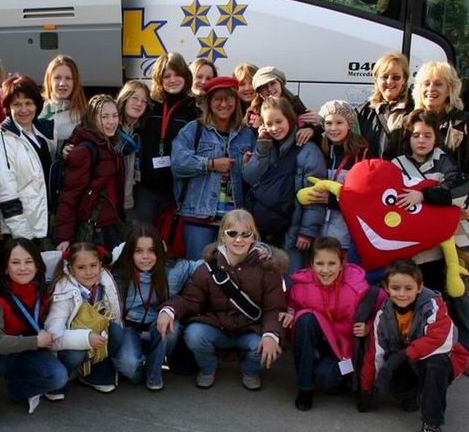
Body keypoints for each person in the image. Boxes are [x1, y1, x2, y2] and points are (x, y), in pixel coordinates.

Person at [411, 61, 469, 377]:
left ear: (451, 89)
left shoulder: (468, 125)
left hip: (457, 215)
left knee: (458, 286)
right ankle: (427, 344)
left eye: (438, 84)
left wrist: (454, 196)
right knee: (422, 282)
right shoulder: (411, 121)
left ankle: (467, 352)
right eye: (426, 83)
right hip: (418, 215)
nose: (431, 89)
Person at [156, 210, 287, 390]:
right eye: (232, 233)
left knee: (272, 343)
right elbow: (191, 299)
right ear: (223, 237)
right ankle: (208, 368)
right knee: (194, 335)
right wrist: (168, 310)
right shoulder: (207, 268)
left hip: (250, 329)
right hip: (216, 327)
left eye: (246, 234)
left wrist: (271, 335)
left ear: (254, 237)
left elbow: (274, 308)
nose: (239, 239)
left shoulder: (267, 270)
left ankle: (249, 371)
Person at [358, 259, 469, 432]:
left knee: (435, 364)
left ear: (419, 287)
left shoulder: (434, 305)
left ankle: (431, 423)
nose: (402, 294)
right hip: (407, 361)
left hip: (435, 360)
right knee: (389, 377)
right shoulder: (382, 315)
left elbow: (440, 339)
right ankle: (411, 394)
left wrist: (402, 356)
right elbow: (374, 353)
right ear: (386, 288)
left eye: (408, 288)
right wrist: (366, 389)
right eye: (396, 288)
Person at [0, 238, 68, 432]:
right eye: (15, 262)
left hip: (26, 353)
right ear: (5, 267)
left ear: (37, 265)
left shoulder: (43, 290)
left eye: (28, 261)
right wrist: (36, 341)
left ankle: (16, 388)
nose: (23, 268)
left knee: (58, 377)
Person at [171, 76, 256, 259]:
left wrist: (249, 166)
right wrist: (210, 164)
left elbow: (255, 177)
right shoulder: (194, 129)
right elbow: (178, 163)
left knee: (231, 271)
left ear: (236, 101)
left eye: (229, 98)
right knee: (198, 269)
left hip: (234, 222)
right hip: (198, 217)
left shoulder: (246, 134)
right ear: (209, 103)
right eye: (217, 99)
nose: (223, 104)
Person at [112, 224, 203, 390]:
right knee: (129, 366)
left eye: (152, 250)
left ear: (160, 250)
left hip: (160, 323)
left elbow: (205, 266)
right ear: (129, 252)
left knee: (170, 329)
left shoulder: (174, 269)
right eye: (138, 251)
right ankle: (145, 363)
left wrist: (246, 250)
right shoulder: (119, 274)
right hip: (129, 326)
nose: (145, 257)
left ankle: (154, 373)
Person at [285, 237, 371, 411]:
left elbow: (378, 309)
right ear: (311, 264)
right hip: (317, 337)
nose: (325, 270)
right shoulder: (300, 286)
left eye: (332, 263)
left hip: (342, 345)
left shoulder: (356, 286)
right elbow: (290, 306)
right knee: (305, 318)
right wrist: (288, 313)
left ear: (342, 264)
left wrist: (367, 326)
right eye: (319, 263)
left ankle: (335, 373)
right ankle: (305, 388)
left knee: (327, 381)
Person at [243, 96, 326, 274]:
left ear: (289, 118)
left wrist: (307, 232)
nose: (274, 128)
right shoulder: (266, 146)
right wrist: (261, 149)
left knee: (291, 280)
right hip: (261, 232)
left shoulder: (308, 150)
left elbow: (315, 196)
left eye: (279, 121)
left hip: (292, 234)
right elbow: (250, 178)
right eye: (269, 124)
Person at [391, 109, 469, 293]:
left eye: (427, 135)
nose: (421, 140)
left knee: (434, 298)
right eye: (416, 135)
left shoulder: (444, 161)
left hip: (434, 252)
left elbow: (459, 191)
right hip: (403, 250)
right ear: (408, 138)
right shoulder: (396, 164)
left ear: (435, 138)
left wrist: (423, 195)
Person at [45, 242, 124, 393]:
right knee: (76, 353)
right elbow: (53, 336)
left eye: (93, 265)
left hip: (94, 338)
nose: (88, 272)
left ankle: (96, 374)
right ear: (71, 269)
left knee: (116, 332)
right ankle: (59, 380)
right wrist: (86, 338)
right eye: (81, 267)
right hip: (68, 346)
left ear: (100, 265)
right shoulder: (63, 290)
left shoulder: (105, 282)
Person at [0, 74, 56, 244]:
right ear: (8, 107)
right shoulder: (1, 139)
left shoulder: (45, 133)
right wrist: (24, 237)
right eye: (17, 104)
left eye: (28, 103)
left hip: (46, 225)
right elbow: (5, 193)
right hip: (22, 233)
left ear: (37, 104)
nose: (24, 109)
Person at [55, 94, 126, 251]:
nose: (111, 121)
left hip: (111, 225)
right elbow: (69, 195)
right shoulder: (85, 151)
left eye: (115, 115)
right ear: (92, 118)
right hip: (94, 230)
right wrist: (64, 237)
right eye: (104, 116)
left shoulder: (110, 144)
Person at [135, 52, 199, 225]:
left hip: (178, 189)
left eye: (177, 74)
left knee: (171, 237)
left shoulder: (193, 110)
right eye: (167, 76)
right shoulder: (149, 106)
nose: (173, 80)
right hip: (147, 188)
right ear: (159, 79)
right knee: (144, 233)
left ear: (186, 76)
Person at [304, 100, 370, 252]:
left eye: (339, 123)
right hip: (319, 237)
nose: (333, 128)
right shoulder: (320, 150)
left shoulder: (361, 154)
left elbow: (365, 198)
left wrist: (332, 200)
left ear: (349, 124)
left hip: (348, 238)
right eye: (328, 123)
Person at [357, 51, 413, 159]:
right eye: (384, 77)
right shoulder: (364, 111)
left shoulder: (415, 110)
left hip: (403, 169)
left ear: (404, 80)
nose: (389, 82)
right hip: (373, 169)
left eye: (396, 77)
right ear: (376, 79)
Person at [249, 66, 319, 145]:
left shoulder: (295, 105)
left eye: (273, 83)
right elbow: (248, 142)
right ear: (259, 92)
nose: (269, 89)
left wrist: (312, 130)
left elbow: (318, 138)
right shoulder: (254, 113)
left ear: (281, 84)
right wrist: (256, 131)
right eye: (263, 87)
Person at [116, 80, 150, 219]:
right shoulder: (110, 125)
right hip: (108, 202)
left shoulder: (139, 131)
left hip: (128, 202)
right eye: (135, 98)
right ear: (124, 98)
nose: (139, 104)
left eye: (144, 101)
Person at [40, 54, 87, 153]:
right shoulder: (37, 110)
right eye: (57, 78)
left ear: (75, 81)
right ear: (49, 80)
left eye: (68, 78)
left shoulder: (85, 115)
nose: (62, 83)